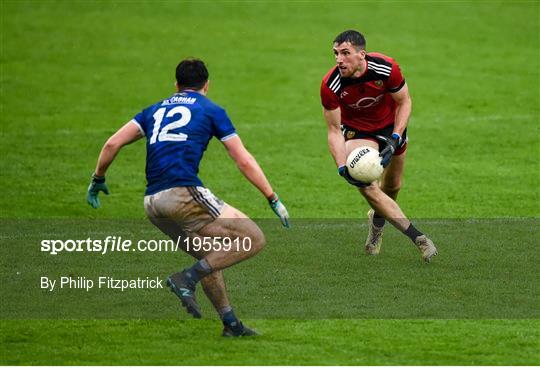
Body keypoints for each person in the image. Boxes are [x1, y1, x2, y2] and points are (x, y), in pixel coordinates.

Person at [87, 58, 290, 336]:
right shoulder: (211, 110)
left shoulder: (153, 110)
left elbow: (112, 143)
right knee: (253, 238)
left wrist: (98, 179)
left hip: (152, 204)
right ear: (207, 85)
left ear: (176, 85)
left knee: (211, 256)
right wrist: (272, 197)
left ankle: (231, 325)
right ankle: (186, 278)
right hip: (183, 194)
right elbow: (242, 159)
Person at [320, 30, 437, 262]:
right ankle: (419, 238)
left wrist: (395, 138)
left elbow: (404, 102)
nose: (339, 59)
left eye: (345, 53)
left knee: (393, 185)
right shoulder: (331, 85)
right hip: (357, 132)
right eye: (336, 53)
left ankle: (376, 220)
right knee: (367, 183)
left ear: (361, 54)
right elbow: (334, 131)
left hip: (390, 127)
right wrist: (342, 166)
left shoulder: (386, 68)